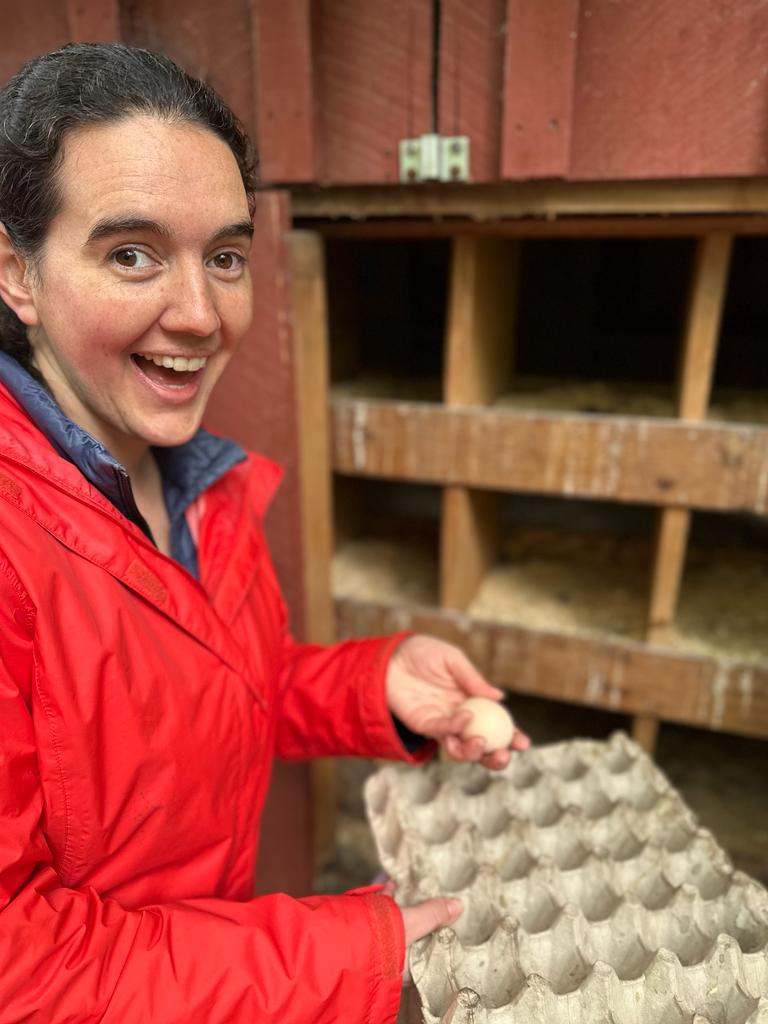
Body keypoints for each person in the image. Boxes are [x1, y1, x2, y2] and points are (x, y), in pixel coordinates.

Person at [0, 42, 529, 1022]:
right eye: (132, 253)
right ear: (16, 273)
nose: (201, 314)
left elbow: (219, 691)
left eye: (227, 256)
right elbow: (18, 969)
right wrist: (337, 955)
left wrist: (377, 689)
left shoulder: (196, 480)